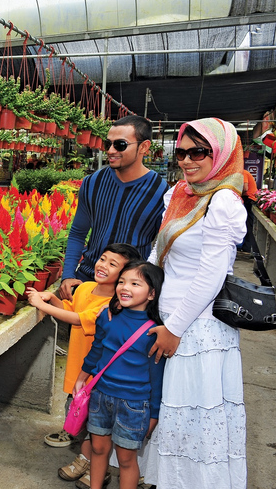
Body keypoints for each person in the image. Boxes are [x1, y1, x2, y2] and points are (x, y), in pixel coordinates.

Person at [143, 118, 247, 488]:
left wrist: (174, 328)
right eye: (181, 152)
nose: (187, 161)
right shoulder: (182, 193)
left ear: (220, 154)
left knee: (192, 421)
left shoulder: (223, 202)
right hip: (167, 318)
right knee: (168, 416)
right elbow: (160, 251)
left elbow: (211, 275)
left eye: (198, 152)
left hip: (196, 329)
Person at [28, 243, 142, 486]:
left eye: (113, 264)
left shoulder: (114, 303)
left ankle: (93, 464)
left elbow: (80, 319)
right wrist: (51, 299)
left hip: (96, 373)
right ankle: (86, 459)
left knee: (97, 425)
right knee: (85, 422)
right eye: (102, 259)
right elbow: (70, 308)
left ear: (123, 275)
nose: (103, 265)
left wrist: (41, 304)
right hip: (78, 370)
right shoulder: (86, 288)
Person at [77, 261, 166, 489]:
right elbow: (96, 350)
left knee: (126, 459)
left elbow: (157, 376)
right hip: (100, 396)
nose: (125, 288)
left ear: (152, 293)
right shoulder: (107, 316)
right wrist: (81, 378)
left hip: (134, 405)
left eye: (135, 283)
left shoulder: (155, 331)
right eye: (122, 282)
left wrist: (154, 413)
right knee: (98, 448)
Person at [60, 116, 169, 301]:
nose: (110, 151)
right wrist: (69, 274)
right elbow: (78, 232)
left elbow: (162, 247)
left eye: (120, 145)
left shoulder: (161, 192)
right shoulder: (93, 182)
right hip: (89, 282)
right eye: (107, 144)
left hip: (130, 291)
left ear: (143, 147)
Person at [239, 168, 258, 254]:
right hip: (250, 199)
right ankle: (246, 246)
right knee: (248, 223)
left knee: (247, 223)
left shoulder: (243, 173)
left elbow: (245, 188)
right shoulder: (244, 172)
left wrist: (237, 193)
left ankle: (247, 247)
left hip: (249, 199)